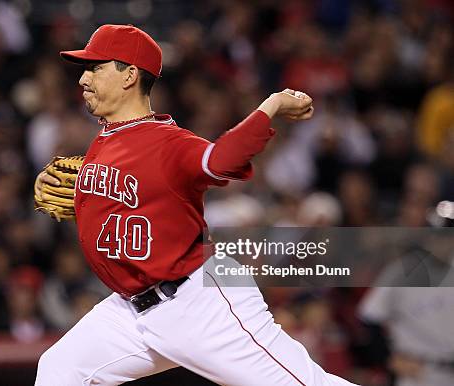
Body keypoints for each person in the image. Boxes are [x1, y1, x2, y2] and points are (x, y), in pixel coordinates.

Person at [34, 24, 356, 385]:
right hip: (130, 310)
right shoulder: (106, 140)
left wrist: (273, 104)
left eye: (95, 67)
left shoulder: (169, 143)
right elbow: (132, 196)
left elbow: (223, 161)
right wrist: (79, 194)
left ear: (129, 76)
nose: (83, 79)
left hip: (199, 299)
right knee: (60, 370)